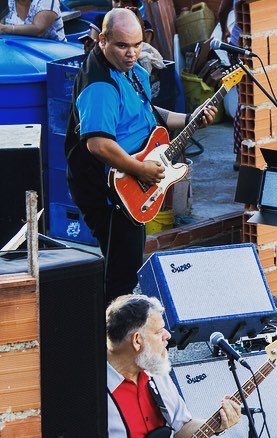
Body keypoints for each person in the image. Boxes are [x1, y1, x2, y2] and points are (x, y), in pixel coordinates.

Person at [52, 294, 242, 438]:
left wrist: (217, 424)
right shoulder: (84, 390)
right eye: (159, 331)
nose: (167, 337)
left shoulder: (157, 375)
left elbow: (181, 430)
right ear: (137, 340)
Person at [65, 8, 216, 303]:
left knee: (127, 263)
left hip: (134, 173)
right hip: (109, 186)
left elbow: (147, 114)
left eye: (136, 45)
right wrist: (140, 169)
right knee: (121, 271)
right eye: (122, 46)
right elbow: (98, 144)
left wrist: (189, 118)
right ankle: (109, 338)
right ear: (102, 41)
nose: (131, 53)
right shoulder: (99, 85)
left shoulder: (134, 71)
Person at [217, 0, 242, 171]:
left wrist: (225, 29)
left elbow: (222, 11)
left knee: (245, 101)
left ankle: (241, 155)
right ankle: (241, 154)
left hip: (236, 44)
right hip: (241, 48)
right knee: (247, 103)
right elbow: (223, 9)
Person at [0, 0, 65, 41]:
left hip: (53, 54)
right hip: (18, 52)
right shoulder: (6, 2)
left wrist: (5, 29)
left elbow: (39, 30)